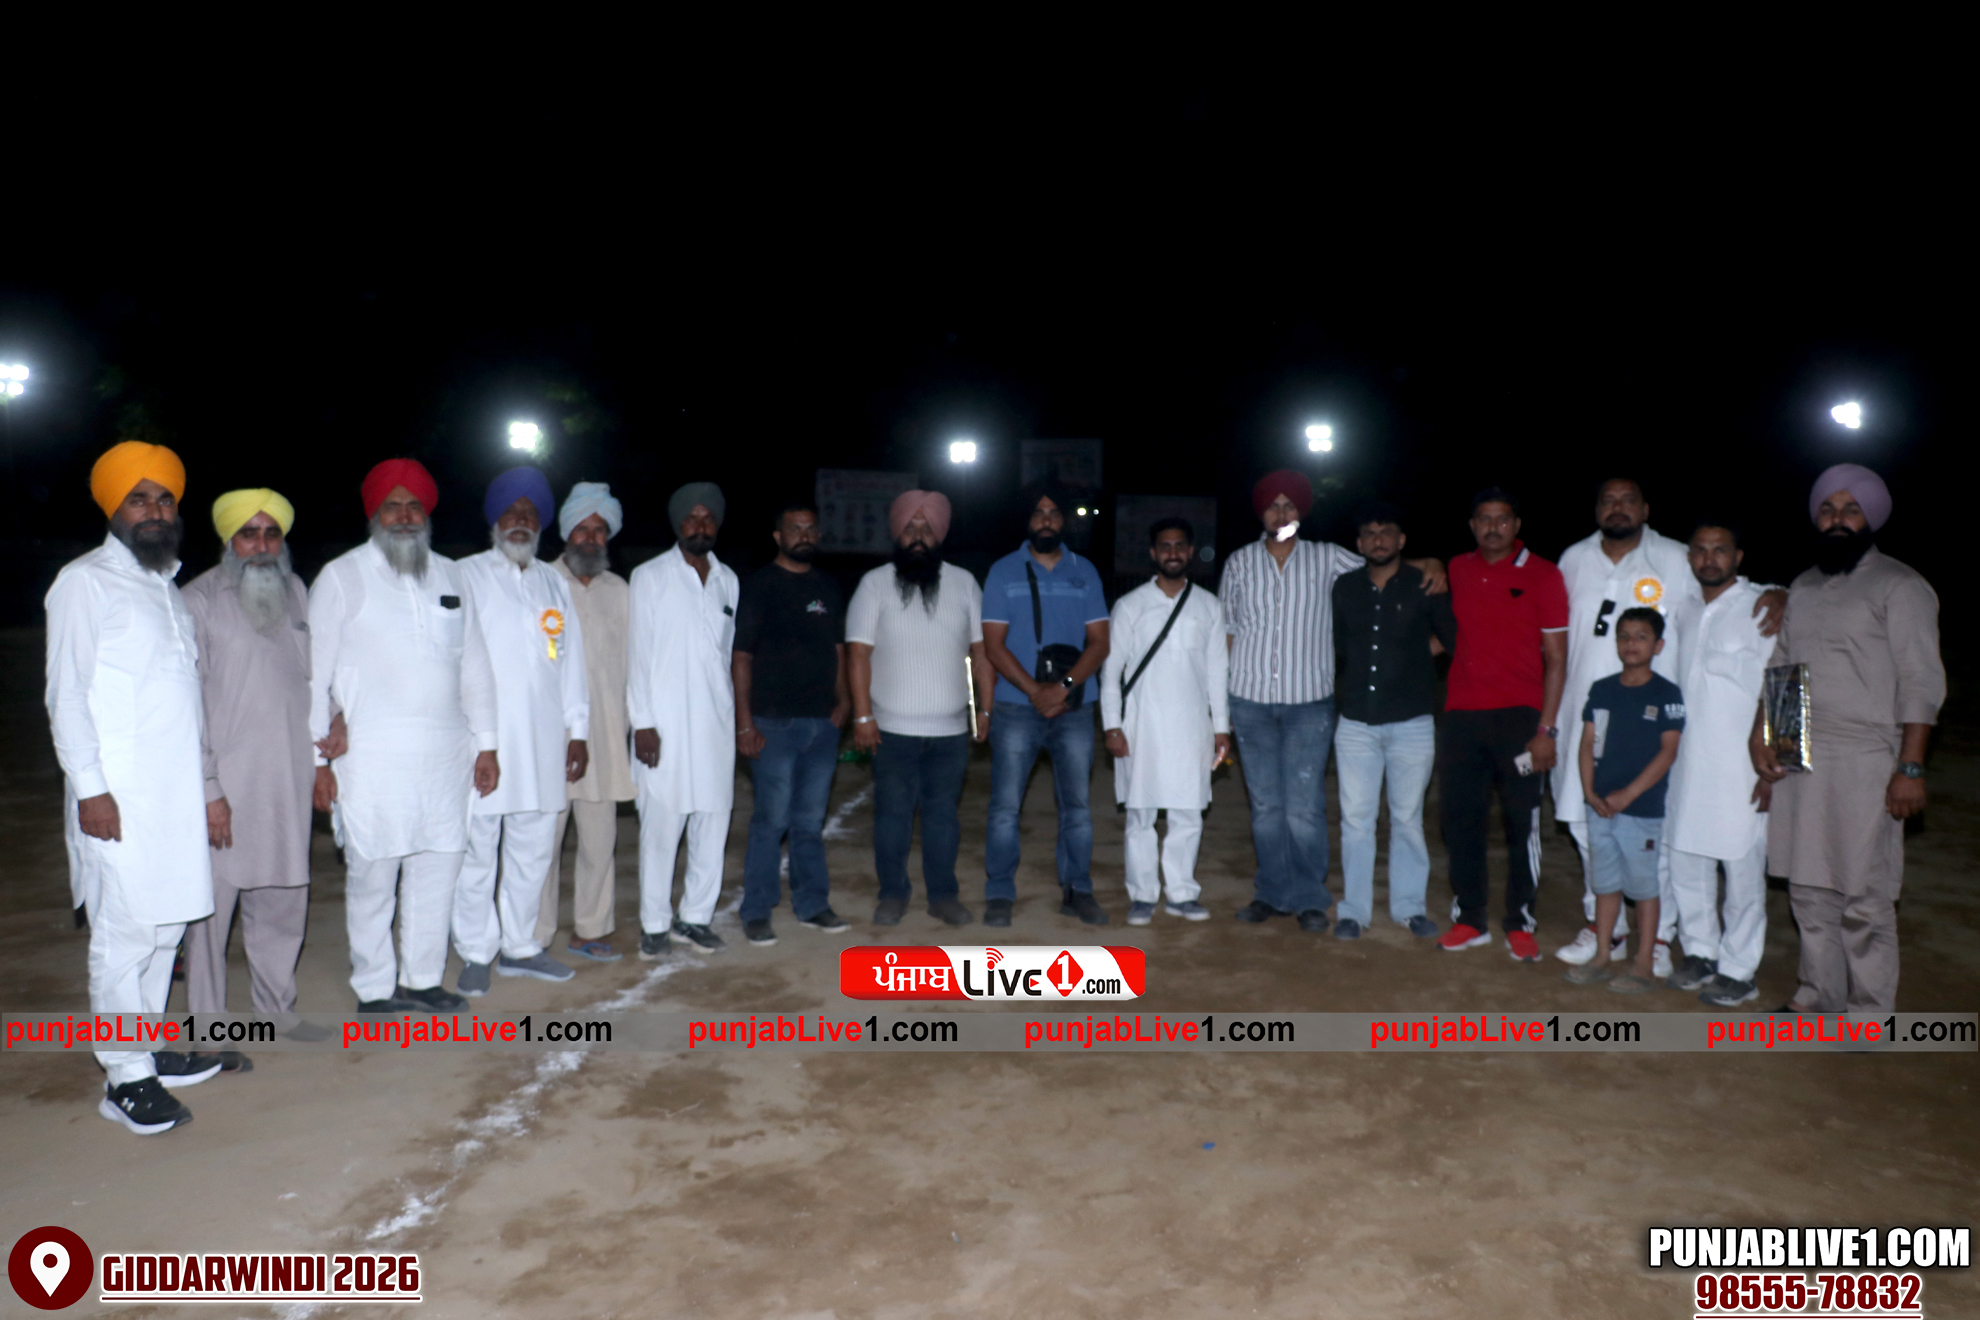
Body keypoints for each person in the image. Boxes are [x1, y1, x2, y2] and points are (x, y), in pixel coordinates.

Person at [47, 443, 220, 1134]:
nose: (154, 510)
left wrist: (204, 788)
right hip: (118, 798)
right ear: (113, 507)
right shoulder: (84, 582)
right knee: (125, 934)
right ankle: (124, 1078)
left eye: (165, 498)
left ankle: (146, 1049)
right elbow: (65, 696)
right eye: (138, 498)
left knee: (165, 928)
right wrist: (91, 790)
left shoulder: (167, 588)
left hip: (174, 796)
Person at [1551, 479, 1784, 970]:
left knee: (1660, 835)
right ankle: (1610, 928)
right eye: (1607, 500)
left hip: (1663, 729)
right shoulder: (1573, 560)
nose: (1617, 508)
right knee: (1591, 824)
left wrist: (1784, 594)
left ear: (1646, 509)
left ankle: (1665, 939)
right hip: (1592, 717)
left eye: (1628, 500)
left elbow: (1756, 625)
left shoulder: (1677, 559)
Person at [1753, 465, 1942, 1019]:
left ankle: (1868, 1012)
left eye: (1850, 510)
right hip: (1802, 752)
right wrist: (1769, 748)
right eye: (1828, 510)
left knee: (1863, 893)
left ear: (1870, 518)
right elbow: (1783, 669)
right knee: (1809, 886)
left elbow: (1922, 681)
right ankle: (1818, 995)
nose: (1837, 519)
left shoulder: (1901, 586)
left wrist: (1910, 767)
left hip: (1867, 756)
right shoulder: (1805, 586)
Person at [311, 458, 496, 1015]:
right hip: (372, 758)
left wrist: (488, 743)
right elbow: (313, 676)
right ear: (374, 514)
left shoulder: (452, 575)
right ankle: (374, 988)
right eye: (392, 507)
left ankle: (422, 979)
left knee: (438, 868)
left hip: (447, 756)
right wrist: (315, 761)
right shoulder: (342, 576)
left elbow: (475, 666)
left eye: (414, 506)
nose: (405, 516)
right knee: (374, 874)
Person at [182, 489, 316, 1066]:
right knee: (211, 914)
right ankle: (208, 1030)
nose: (262, 545)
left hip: (289, 776)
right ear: (228, 540)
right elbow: (186, 705)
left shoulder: (297, 591)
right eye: (249, 533)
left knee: (283, 898)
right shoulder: (197, 600)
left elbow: (312, 678)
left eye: (271, 533)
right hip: (227, 785)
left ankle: (276, 1011)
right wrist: (208, 789)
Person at [451, 468, 590, 994]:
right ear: (495, 519)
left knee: (534, 847)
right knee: (477, 850)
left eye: (530, 514)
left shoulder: (554, 582)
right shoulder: (464, 575)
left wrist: (578, 731)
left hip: (543, 739)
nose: (521, 521)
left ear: (541, 524)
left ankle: (520, 947)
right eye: (512, 511)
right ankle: (475, 952)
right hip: (482, 741)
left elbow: (571, 662)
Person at [845, 490, 991, 926]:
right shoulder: (874, 584)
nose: (919, 535)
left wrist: (984, 710)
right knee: (892, 818)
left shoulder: (965, 583)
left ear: (940, 534)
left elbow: (982, 653)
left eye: (927, 528)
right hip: (891, 731)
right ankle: (892, 894)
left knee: (943, 819)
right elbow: (858, 654)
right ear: (897, 533)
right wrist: (863, 716)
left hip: (950, 734)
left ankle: (943, 897)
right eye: (910, 527)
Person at [1438, 487, 1568, 960]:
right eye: (1484, 519)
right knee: (1460, 821)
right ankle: (1470, 917)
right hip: (1462, 717)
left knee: (1521, 822)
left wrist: (1546, 729)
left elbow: (1557, 659)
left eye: (1502, 519)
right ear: (1472, 525)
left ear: (1516, 525)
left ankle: (1520, 921)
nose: (1493, 527)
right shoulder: (1457, 568)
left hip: (1520, 720)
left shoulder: (1544, 574)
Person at [980, 482, 1112, 926]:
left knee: (1077, 807)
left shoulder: (1085, 571)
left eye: (1054, 513)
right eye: (1038, 513)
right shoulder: (1003, 572)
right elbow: (993, 646)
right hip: (1015, 707)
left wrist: (1063, 687)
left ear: (1064, 520)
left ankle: (1078, 890)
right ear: (1027, 520)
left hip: (1074, 708)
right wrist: (1035, 690)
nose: (1047, 520)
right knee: (1005, 808)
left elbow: (1100, 642)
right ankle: (1000, 892)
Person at [1329, 501, 1454, 941]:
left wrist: (1418, 653)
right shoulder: (1345, 587)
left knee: (1407, 819)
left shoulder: (1425, 583)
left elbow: (1452, 637)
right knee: (1356, 820)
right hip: (1356, 722)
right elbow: (1340, 645)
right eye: (1369, 533)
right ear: (1359, 543)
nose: (1378, 540)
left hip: (1412, 721)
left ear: (1401, 540)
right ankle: (1354, 911)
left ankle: (1409, 907)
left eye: (1386, 533)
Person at [1661, 522, 1772, 1006]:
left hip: (1742, 768)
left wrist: (1778, 768)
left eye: (1720, 550)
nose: (1709, 559)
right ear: (1689, 557)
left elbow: (1786, 683)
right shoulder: (1684, 608)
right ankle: (1701, 952)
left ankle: (1739, 969)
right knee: (1686, 859)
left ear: (1738, 557)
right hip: (1687, 763)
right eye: (1701, 551)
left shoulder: (1762, 608)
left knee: (1742, 868)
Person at [628, 482, 739, 957]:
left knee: (712, 822)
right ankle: (654, 924)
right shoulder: (650, 576)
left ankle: (695, 918)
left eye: (708, 517)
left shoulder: (728, 580)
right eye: (691, 518)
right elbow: (637, 654)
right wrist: (643, 723)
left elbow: (725, 656)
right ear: (678, 524)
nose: (700, 525)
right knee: (661, 827)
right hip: (664, 725)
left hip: (715, 724)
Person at [1100, 517, 1229, 925]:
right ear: (1154, 553)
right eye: (1165, 546)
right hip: (1142, 727)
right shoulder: (1131, 605)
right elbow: (1111, 671)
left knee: (1188, 813)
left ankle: (1182, 893)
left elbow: (1217, 673)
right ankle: (1142, 894)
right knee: (1140, 815)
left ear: (1190, 552)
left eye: (1179, 546)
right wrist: (1112, 725)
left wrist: (1221, 728)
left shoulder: (1209, 606)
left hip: (1192, 728)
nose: (1172, 553)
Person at [735, 501, 852, 945]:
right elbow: (741, 657)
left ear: (817, 535)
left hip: (822, 724)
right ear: (778, 537)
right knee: (771, 820)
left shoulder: (829, 586)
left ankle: (812, 904)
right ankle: (757, 909)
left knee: (809, 820)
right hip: (772, 724)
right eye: (794, 528)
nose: (803, 535)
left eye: (810, 528)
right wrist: (745, 722)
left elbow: (838, 649)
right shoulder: (759, 585)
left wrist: (844, 699)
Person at [534, 481, 634, 962]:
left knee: (599, 841)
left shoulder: (621, 591)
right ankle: (533, 936)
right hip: (550, 739)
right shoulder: (540, 583)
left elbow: (635, 665)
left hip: (607, 739)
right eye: (582, 529)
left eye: (599, 530)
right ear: (566, 532)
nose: (590, 539)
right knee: (542, 845)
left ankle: (590, 929)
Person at [1566, 608, 1685, 993]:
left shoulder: (1666, 693)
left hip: (1641, 810)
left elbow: (1668, 751)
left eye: (1641, 637)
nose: (1631, 644)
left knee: (1645, 887)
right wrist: (1589, 793)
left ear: (1658, 645)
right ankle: (1603, 955)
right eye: (1625, 636)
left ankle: (1644, 963)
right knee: (1605, 884)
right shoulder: (1602, 689)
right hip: (1600, 807)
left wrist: (1628, 795)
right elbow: (1587, 743)